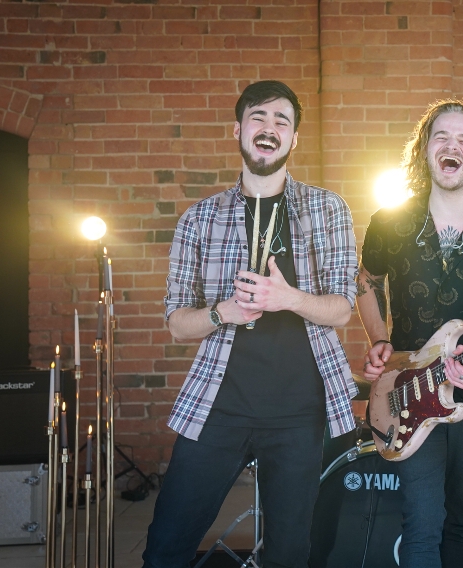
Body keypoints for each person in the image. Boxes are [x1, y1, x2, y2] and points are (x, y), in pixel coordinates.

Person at [143, 80, 359, 568]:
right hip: (218, 407)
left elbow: (342, 309)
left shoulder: (328, 209)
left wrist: (288, 298)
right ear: (238, 130)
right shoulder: (199, 219)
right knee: (166, 546)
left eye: (282, 120)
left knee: (290, 553)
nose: (269, 127)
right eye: (258, 117)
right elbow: (177, 324)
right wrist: (225, 312)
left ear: (294, 138)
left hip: (301, 413)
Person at [356, 99, 463, 568]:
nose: (452, 146)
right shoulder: (391, 220)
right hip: (408, 390)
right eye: (442, 137)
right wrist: (379, 339)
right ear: (425, 149)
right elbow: (366, 280)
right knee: (422, 520)